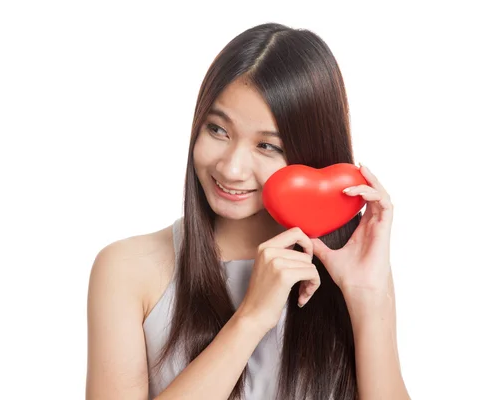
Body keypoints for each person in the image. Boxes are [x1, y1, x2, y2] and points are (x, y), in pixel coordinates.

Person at [86, 22, 410, 400]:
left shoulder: (351, 272)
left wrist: (367, 297)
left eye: (268, 147)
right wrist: (251, 319)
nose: (231, 168)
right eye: (218, 130)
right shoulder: (127, 269)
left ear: (310, 156)